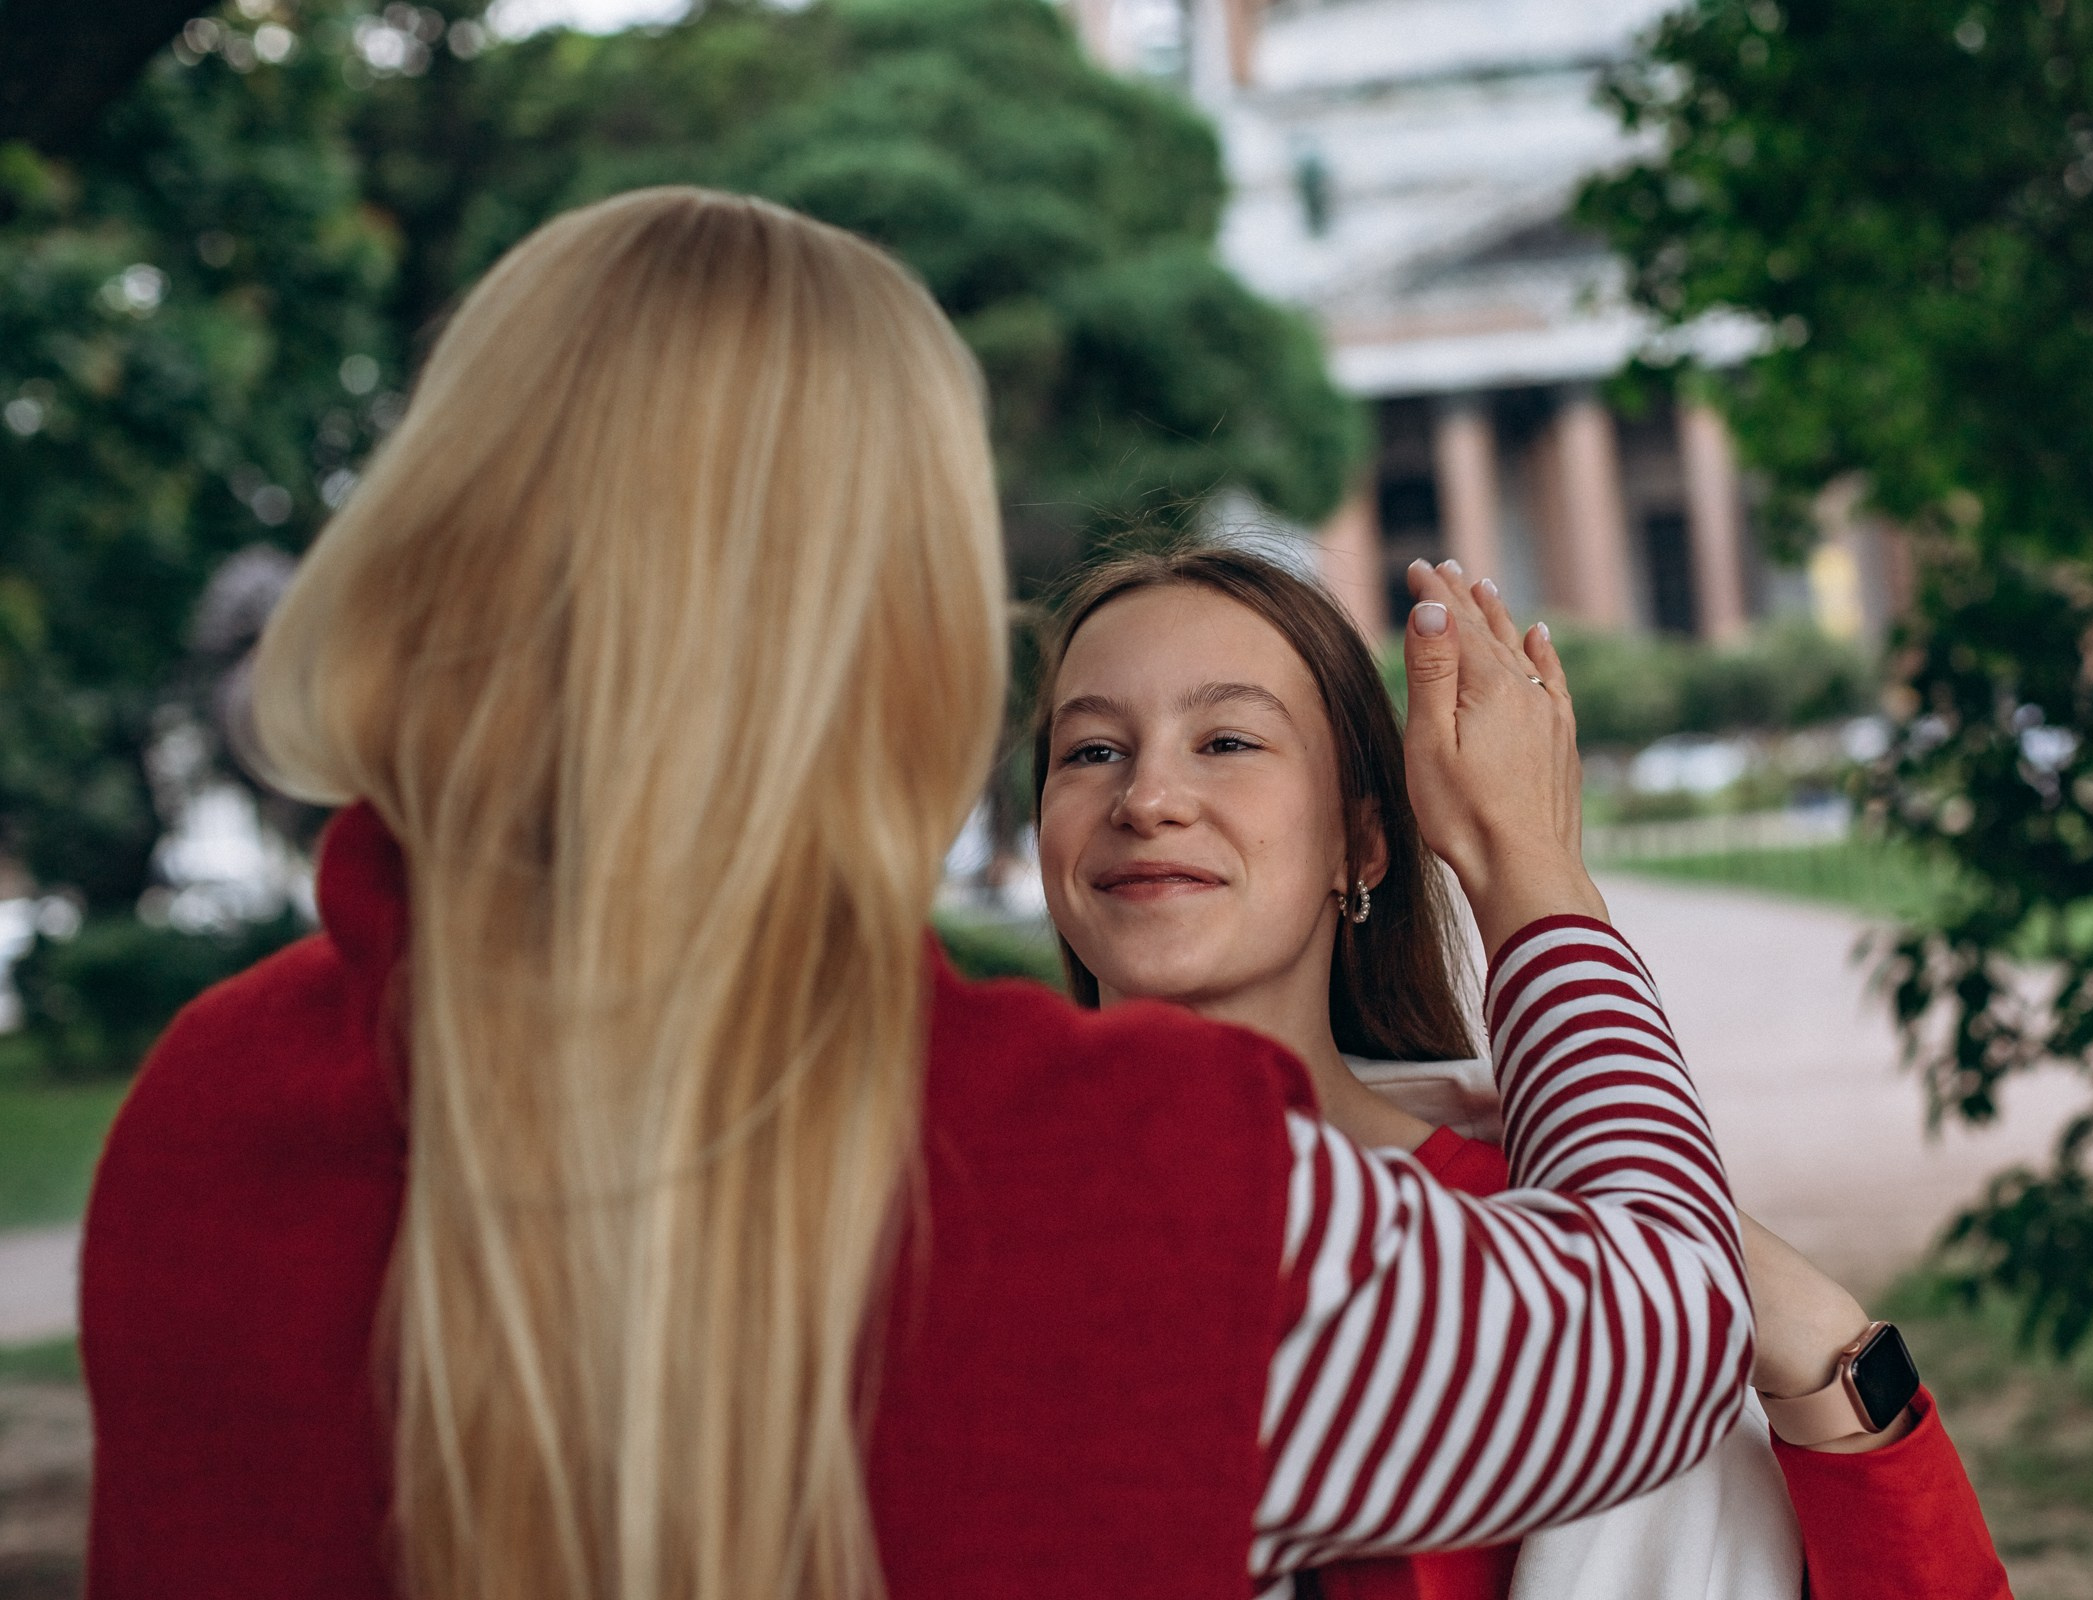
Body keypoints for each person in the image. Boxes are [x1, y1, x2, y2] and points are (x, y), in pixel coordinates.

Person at [78, 187, 1755, 1600]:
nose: (1150, 793)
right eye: (1091, 744)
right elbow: (1672, 1316)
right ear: (904, 643)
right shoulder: (1115, 1182)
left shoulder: (206, 1114)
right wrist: (1536, 877)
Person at [1032, 545, 2012, 1600]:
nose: (1148, 796)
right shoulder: (949, 1215)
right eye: (1090, 751)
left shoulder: (1552, 1220)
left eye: (1226, 739)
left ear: (1361, 844)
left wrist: (1821, 1342)